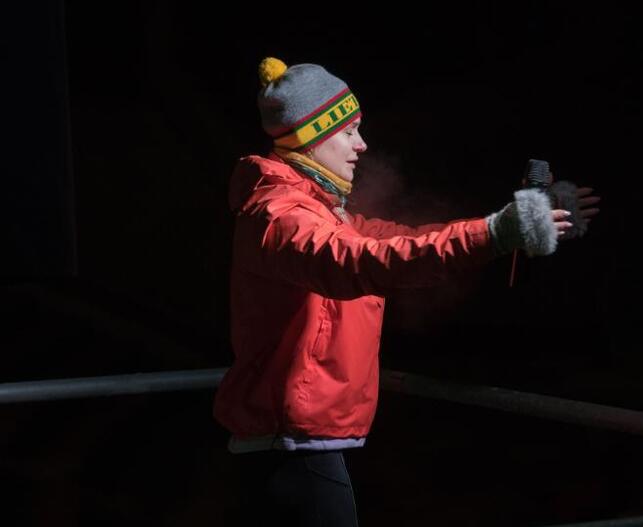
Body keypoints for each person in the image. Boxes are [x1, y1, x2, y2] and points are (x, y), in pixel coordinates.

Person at [213, 57, 599, 526]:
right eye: (349, 131)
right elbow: (367, 261)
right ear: (312, 138)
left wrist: (505, 227)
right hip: (289, 448)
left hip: (299, 444)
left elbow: (408, 241)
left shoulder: (324, 212)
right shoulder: (281, 216)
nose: (361, 144)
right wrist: (496, 233)